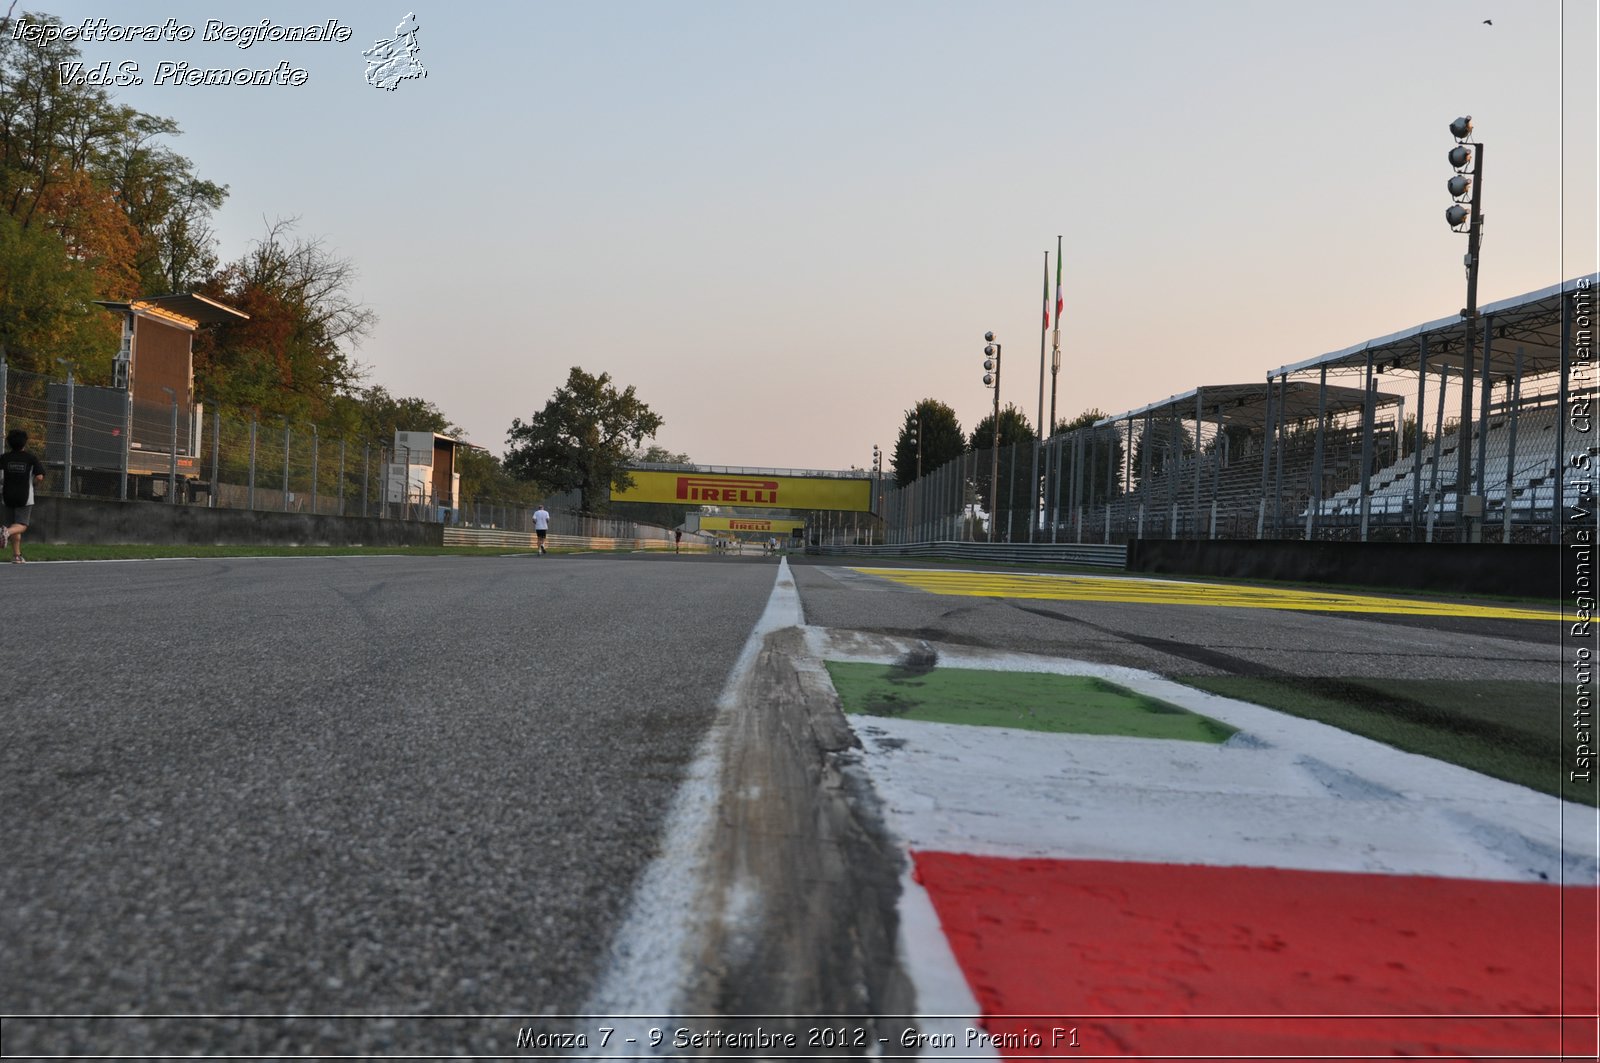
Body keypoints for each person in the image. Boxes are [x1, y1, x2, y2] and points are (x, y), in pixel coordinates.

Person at [2, 429, 46, 564]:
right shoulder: (30, 458)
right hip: (25, 496)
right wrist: (34, 484)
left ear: (9, 443)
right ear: (25, 443)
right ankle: (5, 533)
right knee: (22, 525)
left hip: (7, 495)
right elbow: (39, 476)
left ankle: (16, 555)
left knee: (14, 525)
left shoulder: (4, 458)